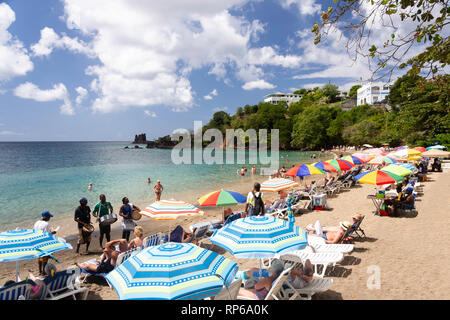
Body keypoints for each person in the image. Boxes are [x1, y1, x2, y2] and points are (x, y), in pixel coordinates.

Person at [33, 211, 57, 275]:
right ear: (46, 217)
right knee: (45, 258)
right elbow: (46, 234)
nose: (49, 218)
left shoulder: (37, 222)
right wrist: (53, 232)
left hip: (36, 242)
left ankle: (40, 271)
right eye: (49, 217)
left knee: (39, 257)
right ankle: (44, 271)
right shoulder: (46, 224)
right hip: (43, 242)